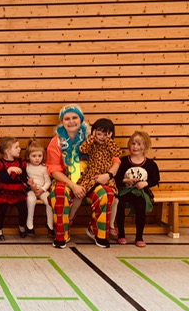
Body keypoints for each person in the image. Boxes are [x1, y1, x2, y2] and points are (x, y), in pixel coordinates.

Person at [47, 105, 117, 249]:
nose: (71, 121)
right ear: (62, 121)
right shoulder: (56, 141)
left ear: (81, 119)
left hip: (91, 179)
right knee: (59, 193)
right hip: (66, 180)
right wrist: (73, 186)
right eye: (67, 118)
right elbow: (54, 170)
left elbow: (115, 159)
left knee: (106, 193)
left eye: (75, 117)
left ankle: (97, 232)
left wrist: (108, 175)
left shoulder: (92, 137)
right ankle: (62, 234)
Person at [115, 131, 160, 247]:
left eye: (139, 144)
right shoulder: (123, 162)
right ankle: (121, 234)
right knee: (119, 204)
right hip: (124, 190)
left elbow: (155, 180)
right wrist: (126, 181)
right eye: (133, 143)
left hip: (140, 192)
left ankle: (139, 236)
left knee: (141, 205)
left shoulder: (150, 164)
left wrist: (145, 183)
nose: (135, 147)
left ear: (145, 146)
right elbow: (116, 178)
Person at [0, 137, 28, 242]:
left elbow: (23, 177)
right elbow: (1, 178)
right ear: (8, 151)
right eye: (16, 147)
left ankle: (22, 227)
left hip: (17, 190)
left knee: (23, 209)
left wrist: (28, 182)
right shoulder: (1, 163)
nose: (20, 149)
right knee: (2, 210)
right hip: (3, 189)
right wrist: (9, 170)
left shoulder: (20, 162)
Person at [25, 139, 54, 237]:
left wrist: (42, 189)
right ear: (28, 156)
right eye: (34, 156)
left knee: (50, 200)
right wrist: (31, 186)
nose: (37, 158)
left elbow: (48, 181)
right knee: (31, 200)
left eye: (39, 156)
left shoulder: (44, 167)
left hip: (42, 190)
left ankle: (50, 225)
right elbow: (25, 180)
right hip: (31, 190)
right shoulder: (27, 167)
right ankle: (29, 225)